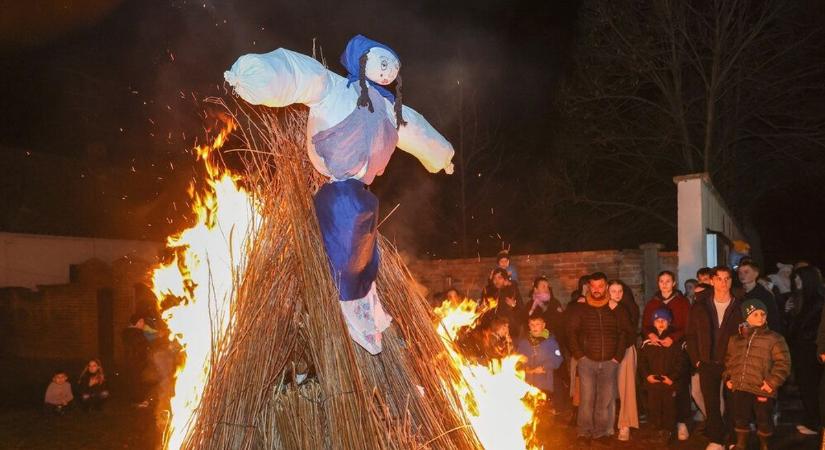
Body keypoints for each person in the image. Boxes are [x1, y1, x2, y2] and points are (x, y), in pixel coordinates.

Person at [225, 34, 455, 354]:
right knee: (348, 240)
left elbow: (417, 130)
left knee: (363, 243)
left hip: (361, 191)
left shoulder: (390, 108)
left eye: (394, 66)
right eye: (382, 62)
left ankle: (365, 308)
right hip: (340, 190)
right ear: (361, 59)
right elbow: (298, 74)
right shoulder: (334, 87)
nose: (389, 71)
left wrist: (441, 155)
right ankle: (355, 309)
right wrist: (257, 76)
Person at [566, 272, 631, 446]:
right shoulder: (580, 307)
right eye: (593, 286)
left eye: (600, 286)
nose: (596, 290)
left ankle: (601, 433)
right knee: (586, 399)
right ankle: (584, 432)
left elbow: (625, 331)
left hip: (610, 361)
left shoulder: (615, 308)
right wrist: (579, 356)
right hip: (587, 361)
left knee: (605, 400)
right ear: (588, 287)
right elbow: (570, 332)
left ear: (606, 286)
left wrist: (617, 356)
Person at [686, 266, 743, 450]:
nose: (723, 283)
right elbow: (691, 334)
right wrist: (696, 359)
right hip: (707, 361)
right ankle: (716, 439)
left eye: (727, 278)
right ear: (711, 281)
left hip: (731, 363)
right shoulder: (701, 305)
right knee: (711, 402)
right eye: (719, 279)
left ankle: (734, 439)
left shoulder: (739, 305)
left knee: (733, 403)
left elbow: (746, 336)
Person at [724, 299, 791, 450]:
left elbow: (783, 363)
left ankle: (764, 445)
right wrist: (728, 377)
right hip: (740, 387)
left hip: (762, 388)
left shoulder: (774, 338)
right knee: (740, 417)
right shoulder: (735, 340)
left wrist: (772, 382)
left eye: (763, 314)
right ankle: (741, 444)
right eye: (755, 314)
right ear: (746, 317)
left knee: (764, 419)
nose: (760, 317)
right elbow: (729, 360)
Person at [641, 270, 691, 441]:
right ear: (658, 283)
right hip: (657, 347)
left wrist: (673, 338)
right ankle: (660, 424)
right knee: (660, 388)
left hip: (676, 347)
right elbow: (646, 325)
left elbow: (687, 325)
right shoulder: (652, 303)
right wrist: (651, 335)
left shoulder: (682, 302)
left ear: (674, 283)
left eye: (668, 281)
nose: (664, 284)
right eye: (661, 281)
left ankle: (682, 421)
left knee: (679, 385)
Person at [786, 265, 824, 435]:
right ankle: (812, 419)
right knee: (805, 386)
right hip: (801, 350)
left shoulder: (817, 300)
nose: (796, 281)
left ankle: (815, 422)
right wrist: (789, 313)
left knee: (810, 386)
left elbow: (813, 328)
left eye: (799, 278)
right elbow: (794, 325)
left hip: (810, 351)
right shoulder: (800, 298)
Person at [639, 308, 684, 444]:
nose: (661, 323)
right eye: (658, 320)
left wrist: (672, 378)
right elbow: (642, 362)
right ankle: (655, 430)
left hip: (668, 382)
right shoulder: (648, 343)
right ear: (653, 323)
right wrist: (647, 376)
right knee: (653, 406)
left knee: (669, 407)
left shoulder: (673, 343)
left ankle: (667, 431)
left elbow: (680, 362)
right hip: (653, 382)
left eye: (664, 320)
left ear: (669, 322)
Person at [607, 279, 639, 441]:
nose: (617, 295)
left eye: (620, 291)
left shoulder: (629, 307)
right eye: (613, 291)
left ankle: (625, 425)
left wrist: (618, 309)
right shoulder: (603, 306)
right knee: (607, 389)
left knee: (626, 389)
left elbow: (630, 330)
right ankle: (606, 424)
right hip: (607, 352)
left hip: (626, 350)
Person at [516, 314, 563, 413]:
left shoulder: (551, 342)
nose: (534, 327)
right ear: (528, 325)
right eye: (532, 324)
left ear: (543, 325)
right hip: (528, 383)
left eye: (537, 324)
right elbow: (518, 359)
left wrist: (544, 367)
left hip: (544, 382)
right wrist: (525, 367)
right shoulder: (523, 342)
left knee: (543, 411)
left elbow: (557, 359)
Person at [736, 261, 782, 334]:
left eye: (746, 272)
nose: (742, 275)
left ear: (756, 274)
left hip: (760, 335)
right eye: (740, 273)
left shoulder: (764, 295)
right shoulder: (737, 294)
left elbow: (773, 319)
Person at [122, 313, 151, 408]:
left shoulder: (128, 333)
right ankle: (137, 401)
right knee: (136, 381)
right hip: (135, 362)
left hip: (132, 362)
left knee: (134, 381)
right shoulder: (136, 333)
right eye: (142, 321)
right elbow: (144, 345)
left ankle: (137, 400)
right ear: (137, 322)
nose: (143, 324)